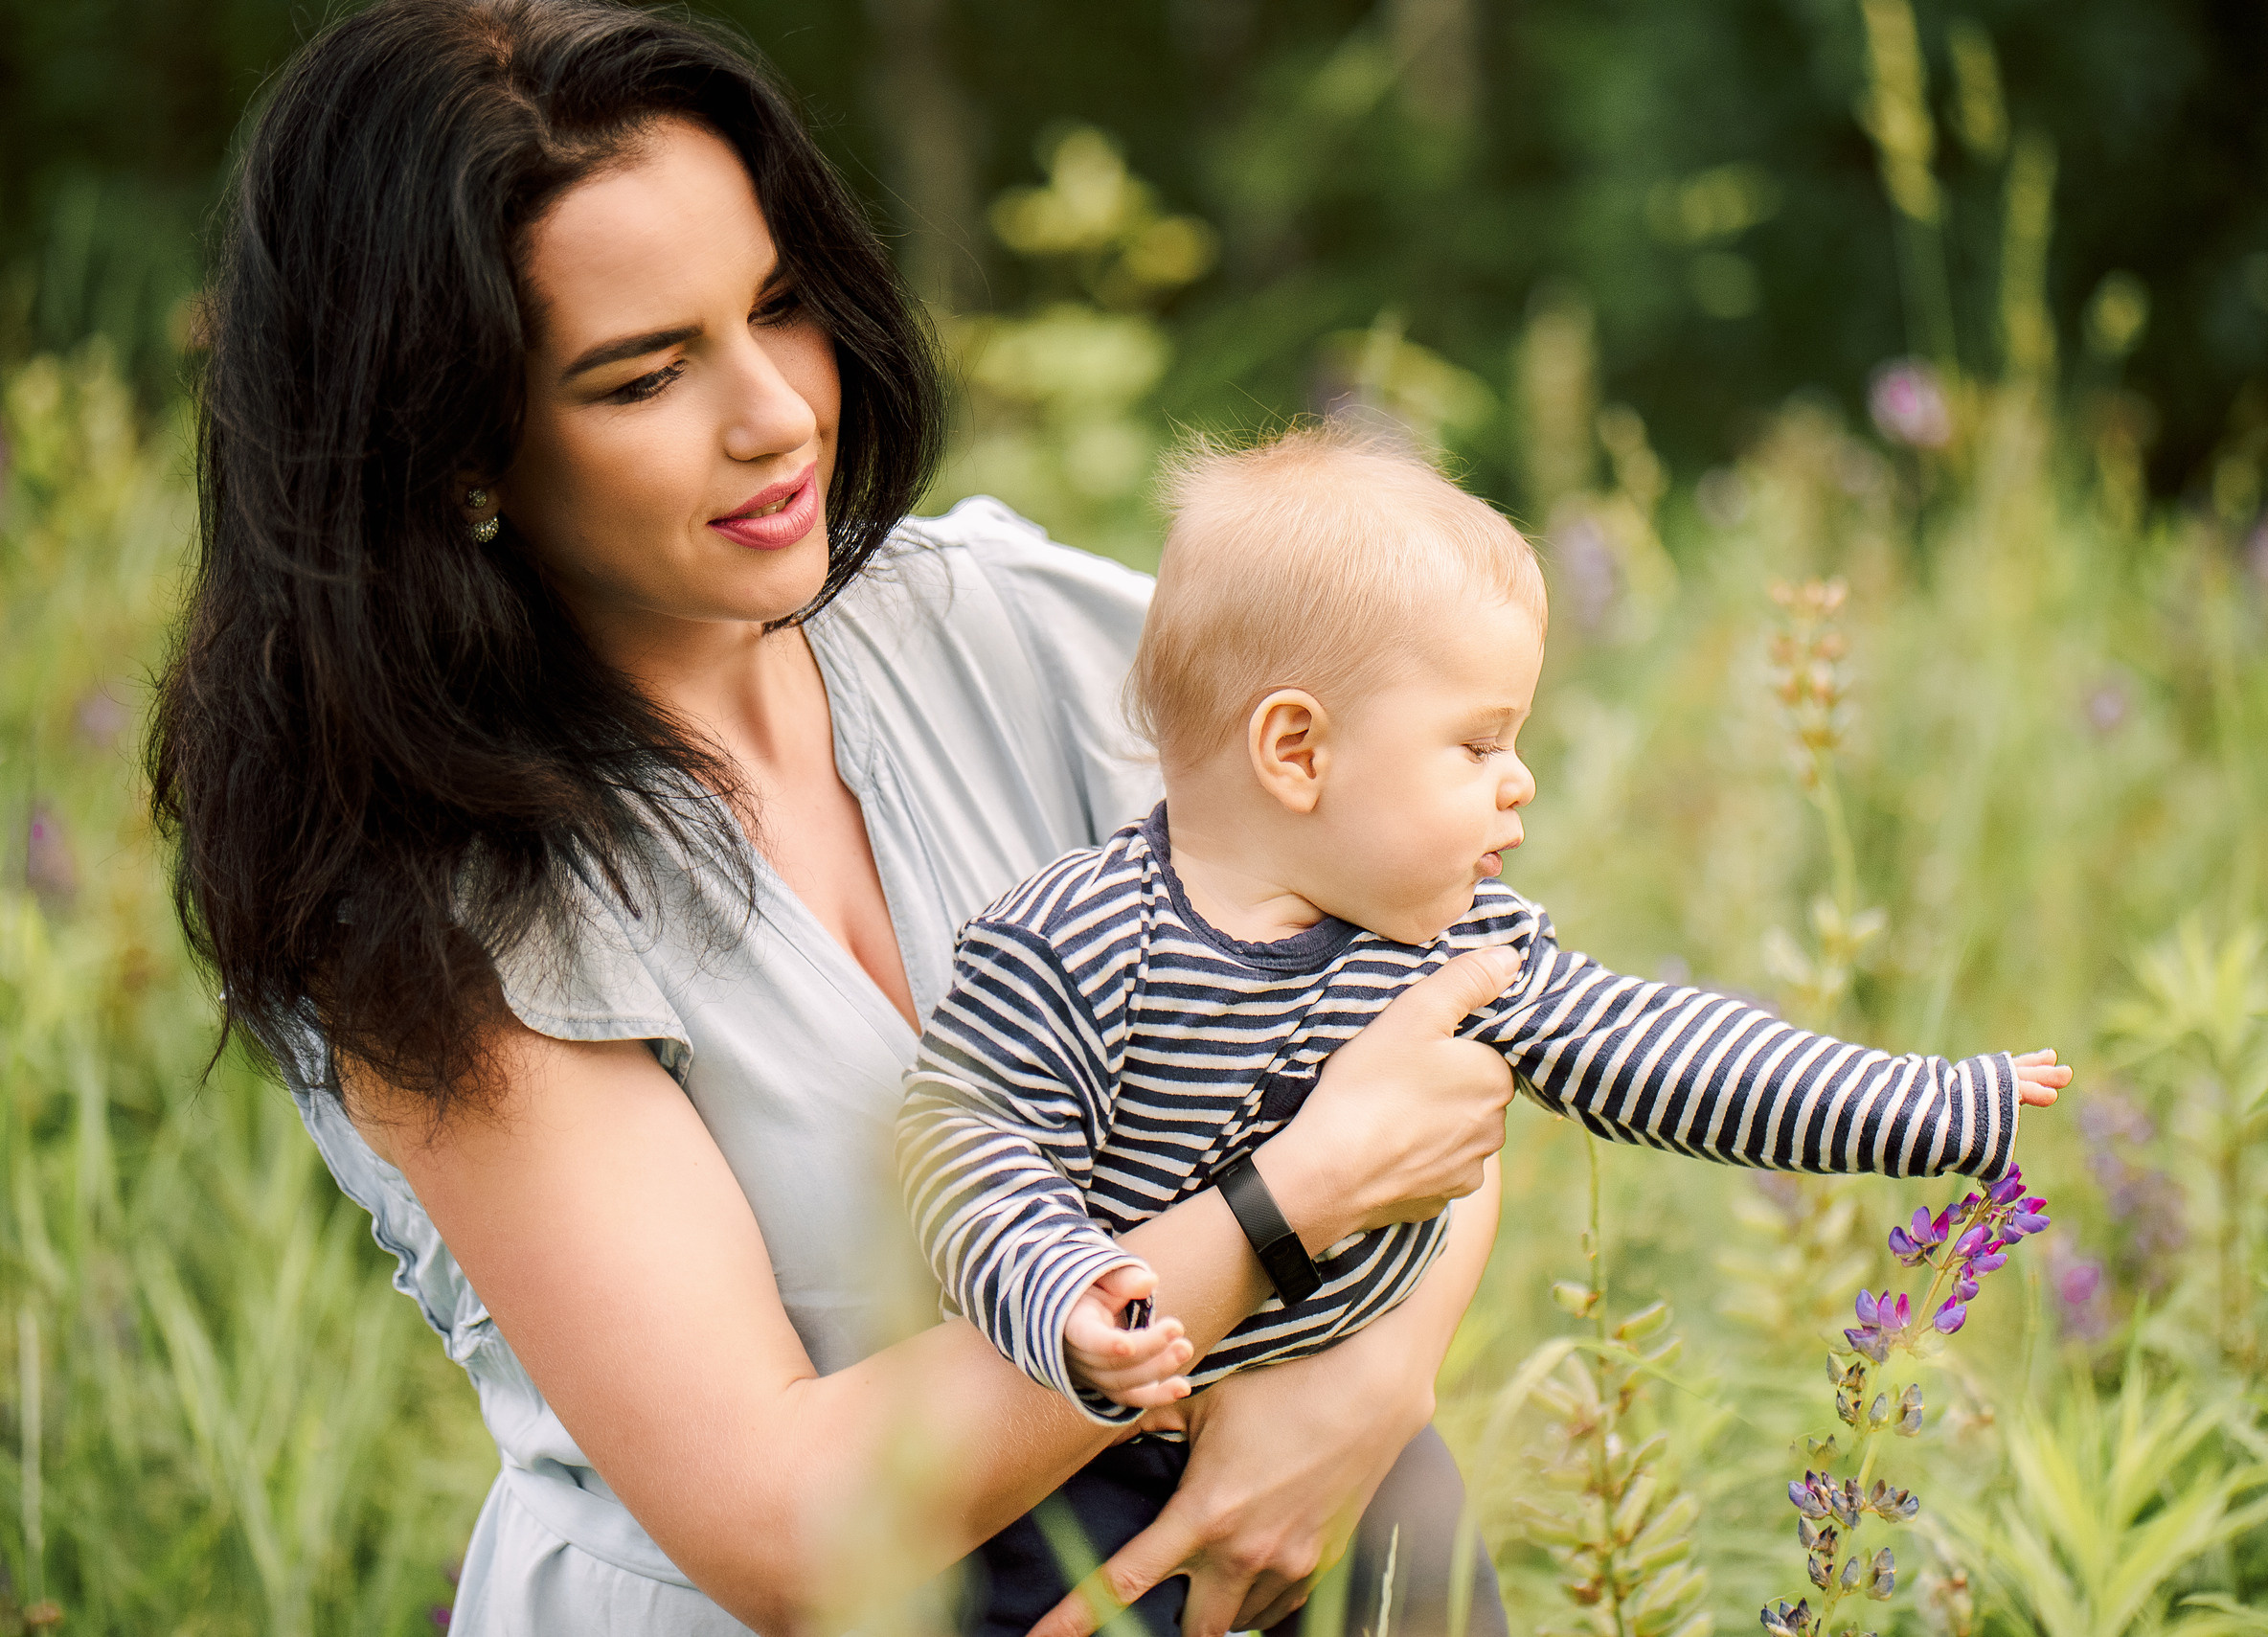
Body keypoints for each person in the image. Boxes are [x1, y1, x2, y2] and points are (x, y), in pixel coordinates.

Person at [147, 4, 1528, 1633]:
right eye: (647, 373)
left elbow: (1444, 991)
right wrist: (1276, 1215)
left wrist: (1368, 1374)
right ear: (452, 448)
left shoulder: (1017, 625)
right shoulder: (434, 909)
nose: (776, 412)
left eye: (779, 304)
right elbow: (789, 1522)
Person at [897, 426, 2074, 1637]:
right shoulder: (1076, 940)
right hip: (1080, 1482)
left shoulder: (1454, 944)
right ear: (1295, 750)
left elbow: (1667, 1050)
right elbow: (963, 1142)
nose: (1519, 782)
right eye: (1477, 741)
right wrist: (1066, 1290)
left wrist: (1929, 1103)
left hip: (1351, 1446)